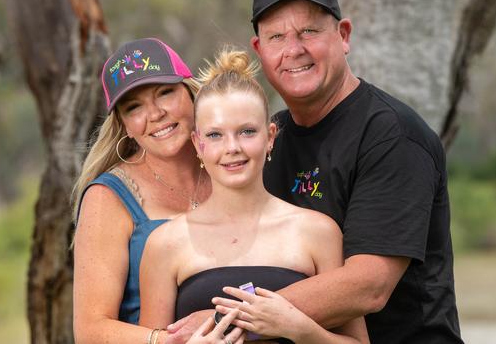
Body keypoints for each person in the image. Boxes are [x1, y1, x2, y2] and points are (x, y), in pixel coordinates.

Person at [178, 0, 464, 343]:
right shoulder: (265, 139)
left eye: (309, 31)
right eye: (276, 37)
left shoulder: (392, 136)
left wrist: (227, 319)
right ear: (259, 49)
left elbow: (369, 286)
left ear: (343, 35)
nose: (293, 50)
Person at [138, 48, 369, 344]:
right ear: (197, 144)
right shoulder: (165, 244)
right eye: (215, 135)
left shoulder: (318, 232)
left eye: (247, 131)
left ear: (270, 136)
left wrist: (300, 329)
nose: (232, 147)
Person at [71, 37, 211, 344]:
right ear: (123, 124)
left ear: (190, 91)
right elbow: (91, 331)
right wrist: (171, 341)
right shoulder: (107, 198)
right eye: (134, 107)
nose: (155, 114)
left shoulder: (230, 167)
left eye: (165, 92)